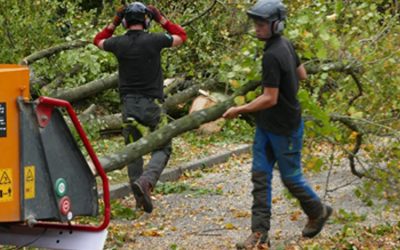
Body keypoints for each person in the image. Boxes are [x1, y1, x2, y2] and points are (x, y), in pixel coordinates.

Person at [223, 0, 332, 248]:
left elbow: (270, 98)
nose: (257, 27)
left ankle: (318, 211)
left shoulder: (273, 54)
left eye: (262, 23)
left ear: (277, 24)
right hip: (266, 126)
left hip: (285, 128)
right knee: (260, 177)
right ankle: (260, 233)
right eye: (255, 22)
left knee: (291, 178)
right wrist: (287, 84)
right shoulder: (285, 45)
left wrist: (239, 109)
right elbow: (302, 74)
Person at [93, 2, 187, 213]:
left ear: (125, 22)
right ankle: (146, 181)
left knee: (134, 150)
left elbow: (97, 40)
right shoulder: (155, 40)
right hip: (152, 104)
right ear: (146, 21)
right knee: (163, 146)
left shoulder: (117, 43)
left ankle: (138, 199)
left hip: (129, 105)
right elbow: (181, 36)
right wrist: (162, 18)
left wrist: (113, 22)